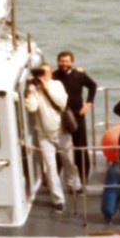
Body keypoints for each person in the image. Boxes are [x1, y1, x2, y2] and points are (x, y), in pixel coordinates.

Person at [24, 63, 79, 212]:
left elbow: (62, 102)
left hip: (62, 132)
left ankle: (74, 184)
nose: (44, 75)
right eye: (41, 73)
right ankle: (58, 199)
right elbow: (31, 108)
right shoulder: (35, 90)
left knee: (69, 161)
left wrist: (46, 88)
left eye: (46, 72)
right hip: (44, 136)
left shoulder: (57, 85)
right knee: (50, 168)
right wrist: (30, 90)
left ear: (51, 73)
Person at [52, 50, 97, 190]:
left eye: (67, 61)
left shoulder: (79, 75)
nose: (64, 64)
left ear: (72, 62)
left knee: (80, 146)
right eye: (62, 61)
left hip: (78, 115)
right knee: (59, 148)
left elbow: (93, 86)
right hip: (60, 115)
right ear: (58, 62)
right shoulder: (54, 76)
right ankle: (57, 178)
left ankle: (84, 178)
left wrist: (88, 103)